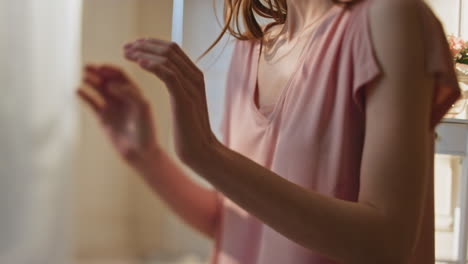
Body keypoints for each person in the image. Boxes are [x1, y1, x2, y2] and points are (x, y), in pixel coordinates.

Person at [77, 0, 462, 263]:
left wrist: (207, 153)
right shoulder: (250, 51)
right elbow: (233, 225)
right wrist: (147, 159)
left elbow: (387, 243)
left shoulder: (389, 19)